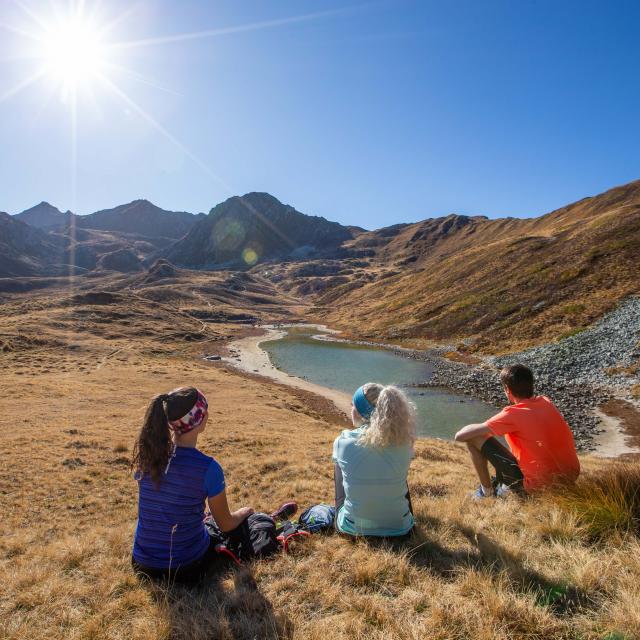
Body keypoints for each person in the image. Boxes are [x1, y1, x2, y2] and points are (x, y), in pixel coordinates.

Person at [131, 386, 259, 584]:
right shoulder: (208, 468)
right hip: (185, 568)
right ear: (201, 418)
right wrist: (244, 512)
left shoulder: (149, 457)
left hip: (142, 565)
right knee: (222, 531)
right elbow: (226, 524)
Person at [454, 364, 580, 497]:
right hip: (569, 478)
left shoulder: (511, 414)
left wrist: (485, 427)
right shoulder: (546, 402)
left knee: (474, 438)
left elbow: (460, 436)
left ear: (507, 389)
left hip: (539, 487)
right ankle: (502, 486)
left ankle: (487, 492)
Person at [332, 383, 416, 537]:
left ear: (360, 412)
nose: (351, 408)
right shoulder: (405, 443)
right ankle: (396, 517)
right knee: (397, 472)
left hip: (353, 530)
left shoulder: (343, 441)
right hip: (402, 531)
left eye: (353, 405)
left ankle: (354, 515)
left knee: (339, 465)